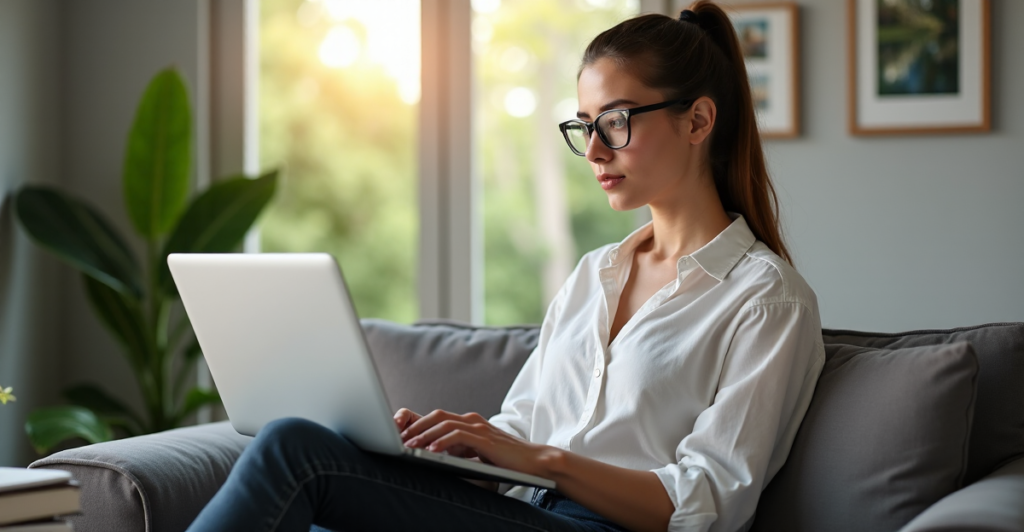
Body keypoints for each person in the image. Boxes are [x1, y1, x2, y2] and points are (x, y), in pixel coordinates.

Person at [187, 2, 824, 531]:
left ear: (699, 120)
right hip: (525, 512)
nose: (594, 150)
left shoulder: (766, 300)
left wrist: (543, 461)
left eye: (615, 121)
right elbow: (521, 426)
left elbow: (708, 504)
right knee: (323, 475)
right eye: (584, 126)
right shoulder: (595, 273)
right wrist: (448, 448)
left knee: (294, 452)